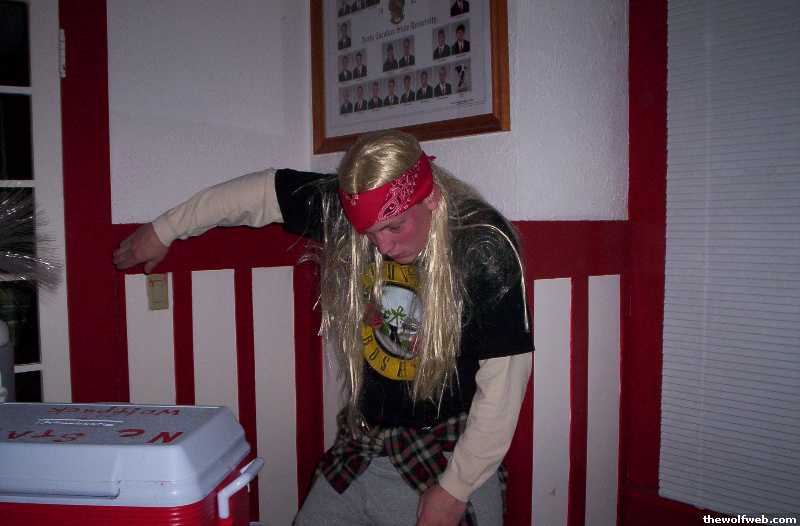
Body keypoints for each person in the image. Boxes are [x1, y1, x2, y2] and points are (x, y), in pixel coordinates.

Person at [112, 130, 533, 526]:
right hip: (364, 446)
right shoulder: (351, 210)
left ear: (433, 198)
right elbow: (263, 192)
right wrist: (165, 230)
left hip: (446, 453)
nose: (383, 246)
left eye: (394, 226)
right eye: (368, 233)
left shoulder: (482, 246)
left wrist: (455, 489)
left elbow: (504, 384)